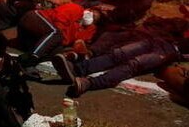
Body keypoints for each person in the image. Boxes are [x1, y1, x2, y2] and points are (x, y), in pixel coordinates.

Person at [51, 36, 189, 97]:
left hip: (170, 54)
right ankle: (78, 68)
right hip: (162, 41)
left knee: (134, 64)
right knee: (119, 53)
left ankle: (89, 83)